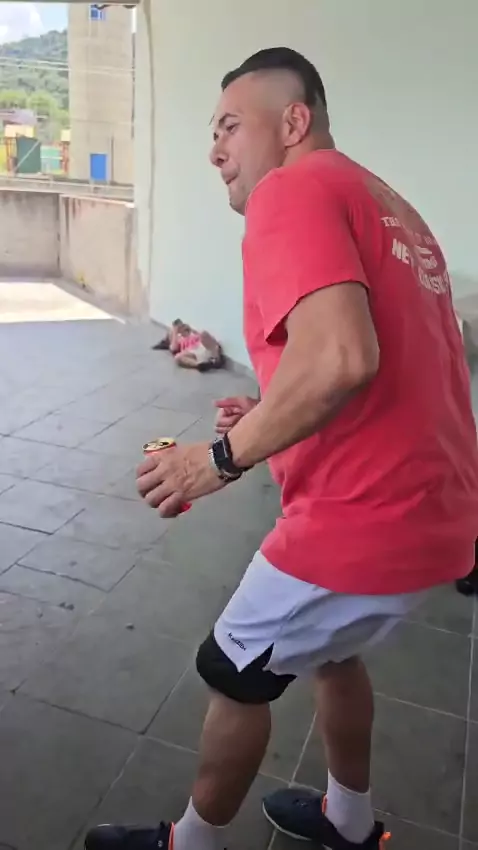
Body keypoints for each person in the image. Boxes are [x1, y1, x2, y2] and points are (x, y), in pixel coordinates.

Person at [85, 47, 478, 850]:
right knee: (333, 656)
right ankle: (349, 821)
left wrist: (215, 459)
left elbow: (342, 359)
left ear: (294, 122)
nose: (215, 149)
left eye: (230, 125)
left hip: (361, 520)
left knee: (233, 669)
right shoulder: (389, 204)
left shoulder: (291, 189)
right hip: (439, 514)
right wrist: (271, 412)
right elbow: (376, 361)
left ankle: (190, 843)